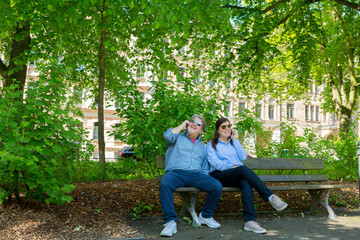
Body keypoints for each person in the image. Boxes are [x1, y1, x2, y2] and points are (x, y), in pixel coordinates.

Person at [206, 117, 288, 234]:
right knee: (242, 170)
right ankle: (270, 197)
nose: (227, 129)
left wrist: (236, 140)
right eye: (223, 127)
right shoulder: (211, 144)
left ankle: (250, 221)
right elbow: (215, 163)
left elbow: (243, 157)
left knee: (246, 183)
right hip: (219, 175)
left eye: (229, 126)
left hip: (237, 174)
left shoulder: (233, 143)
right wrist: (232, 167)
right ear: (218, 130)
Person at [159, 114, 223, 237]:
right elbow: (167, 135)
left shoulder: (202, 146)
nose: (194, 124)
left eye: (198, 124)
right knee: (165, 184)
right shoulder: (176, 138)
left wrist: (202, 179)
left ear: (201, 130)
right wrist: (182, 126)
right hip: (176, 173)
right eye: (192, 121)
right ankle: (170, 222)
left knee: (216, 185)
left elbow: (204, 167)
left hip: (195, 175)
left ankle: (206, 216)